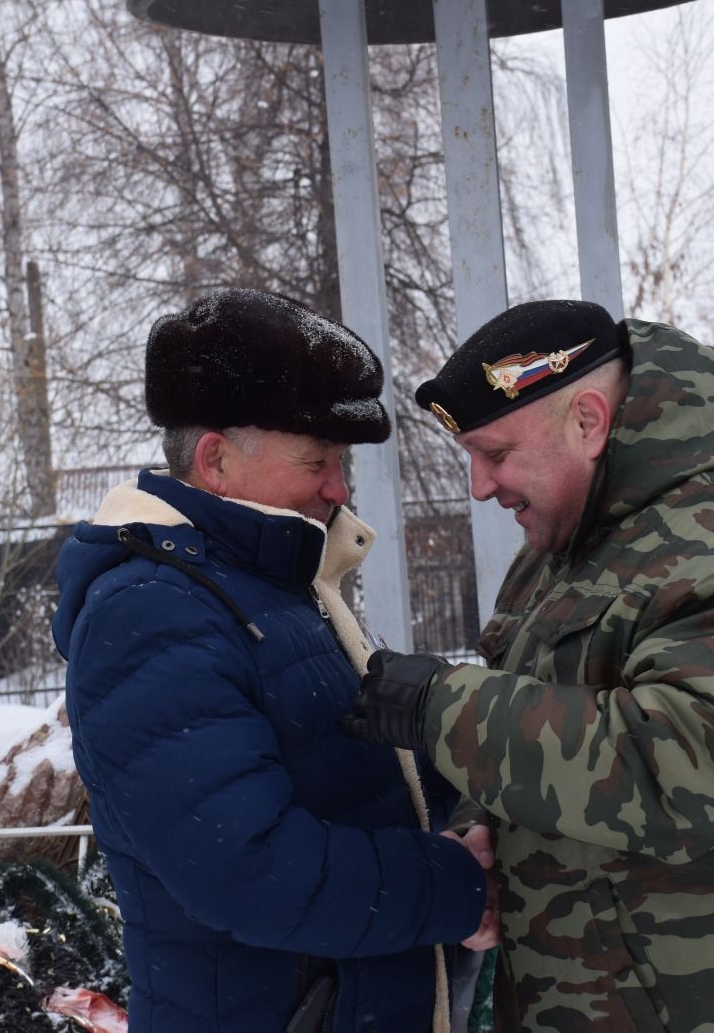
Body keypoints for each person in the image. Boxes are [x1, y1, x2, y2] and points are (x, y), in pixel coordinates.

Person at [343, 300, 714, 1031]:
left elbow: (691, 771)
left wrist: (442, 709)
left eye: (496, 453)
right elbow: (544, 721)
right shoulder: (564, 552)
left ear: (588, 421)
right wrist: (485, 828)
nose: (479, 486)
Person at [51, 288, 495, 1033]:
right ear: (216, 459)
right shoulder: (152, 611)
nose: (338, 487)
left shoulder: (269, 584)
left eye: (341, 461)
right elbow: (248, 867)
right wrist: (456, 888)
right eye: (317, 460)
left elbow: (351, 781)